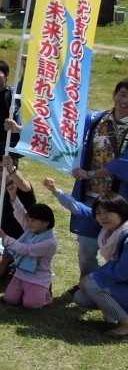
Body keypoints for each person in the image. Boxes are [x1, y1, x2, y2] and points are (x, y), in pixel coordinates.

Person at [45, 180, 128, 339]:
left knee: (93, 286)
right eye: (99, 213)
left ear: (122, 212)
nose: (102, 217)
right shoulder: (107, 229)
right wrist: (55, 191)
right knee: (81, 297)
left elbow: (122, 270)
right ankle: (115, 315)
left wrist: (92, 275)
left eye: (108, 212)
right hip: (121, 284)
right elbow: (79, 209)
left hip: (123, 281)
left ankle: (125, 324)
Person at [67, 79, 128, 280]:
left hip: (120, 199)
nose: (125, 100)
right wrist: (20, 128)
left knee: (119, 248)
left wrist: (90, 174)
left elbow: (123, 163)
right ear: (114, 94)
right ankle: (87, 282)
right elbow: (66, 129)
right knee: (86, 246)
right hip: (90, 194)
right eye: (122, 94)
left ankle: (111, 287)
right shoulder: (95, 119)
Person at [0, 195, 57, 310]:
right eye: (28, 220)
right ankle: (28, 293)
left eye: (33, 221)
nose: (29, 223)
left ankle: (45, 294)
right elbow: (20, 213)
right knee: (9, 299)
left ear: (46, 222)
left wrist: (6, 237)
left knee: (31, 305)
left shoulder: (50, 242)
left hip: (38, 276)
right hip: (21, 272)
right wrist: (13, 197)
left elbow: (27, 250)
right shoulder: (30, 230)